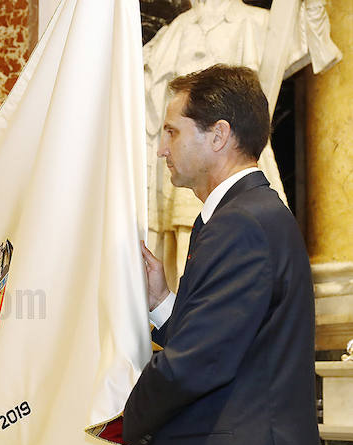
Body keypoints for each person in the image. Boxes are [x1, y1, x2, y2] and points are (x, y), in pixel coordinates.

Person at [122, 65, 331, 445]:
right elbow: (229, 345)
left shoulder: (242, 223)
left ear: (217, 134)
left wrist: (124, 417)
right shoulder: (242, 218)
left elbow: (196, 364)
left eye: (171, 131)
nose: (162, 149)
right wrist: (162, 303)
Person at [143, 0, 341, 289]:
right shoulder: (175, 31)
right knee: (184, 253)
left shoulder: (258, 24)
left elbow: (308, 42)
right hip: (187, 165)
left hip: (234, 158)